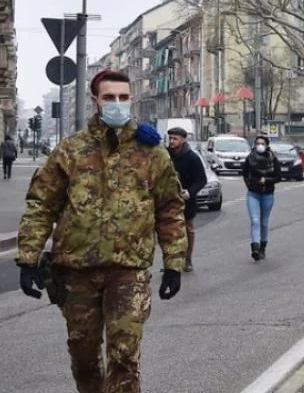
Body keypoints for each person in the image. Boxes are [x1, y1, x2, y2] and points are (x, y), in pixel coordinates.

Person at [16, 69, 186, 393]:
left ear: (131, 99)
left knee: (124, 358)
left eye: (123, 97)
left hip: (128, 271)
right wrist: (28, 258)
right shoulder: (71, 150)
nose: (117, 104)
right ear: (96, 101)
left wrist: (174, 264)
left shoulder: (152, 152)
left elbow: (170, 208)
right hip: (77, 272)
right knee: (84, 359)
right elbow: (41, 204)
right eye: (109, 98)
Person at [167, 127, 208, 272]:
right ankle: (171, 262)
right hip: (168, 201)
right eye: (170, 138)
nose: (172, 141)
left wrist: (190, 191)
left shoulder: (192, 158)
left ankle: (187, 259)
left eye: (175, 138)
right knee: (169, 232)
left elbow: (201, 180)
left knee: (187, 230)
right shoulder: (165, 155)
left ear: (183, 140)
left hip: (186, 202)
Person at [242, 135, 281, 261]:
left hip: (267, 194)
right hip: (253, 194)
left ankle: (263, 247)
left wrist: (267, 180)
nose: (260, 145)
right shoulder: (250, 158)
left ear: (267, 145)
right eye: (258, 143)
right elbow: (245, 174)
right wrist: (250, 184)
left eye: (262, 143)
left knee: (264, 222)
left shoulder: (273, 159)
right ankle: (255, 248)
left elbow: (278, 177)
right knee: (255, 221)